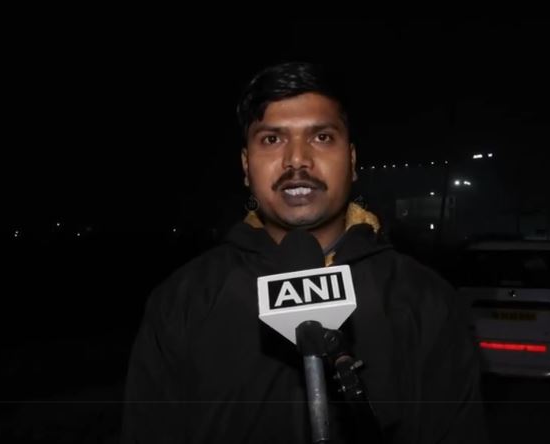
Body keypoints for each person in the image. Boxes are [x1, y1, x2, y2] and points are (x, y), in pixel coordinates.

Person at [121, 61, 488, 443]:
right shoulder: (182, 301)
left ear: (352, 160)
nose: (297, 159)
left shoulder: (426, 300)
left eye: (322, 137)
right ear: (246, 166)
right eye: (272, 139)